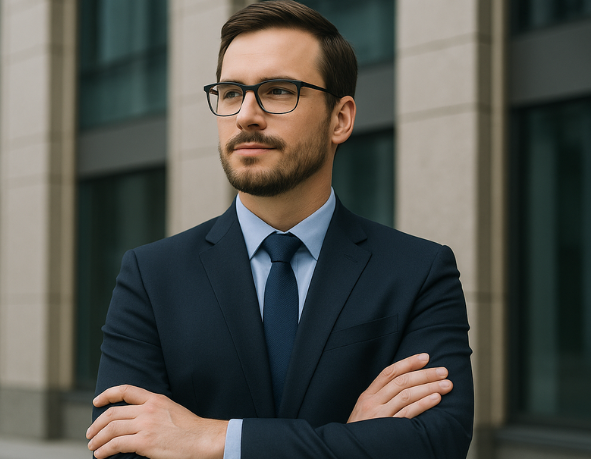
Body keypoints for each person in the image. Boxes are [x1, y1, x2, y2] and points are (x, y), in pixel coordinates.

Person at [86, 1, 474, 458]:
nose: (246, 115)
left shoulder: (419, 271)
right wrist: (350, 439)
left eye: (277, 91)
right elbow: (119, 448)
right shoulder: (151, 275)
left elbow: (435, 444)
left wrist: (210, 438)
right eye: (231, 93)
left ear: (340, 118)